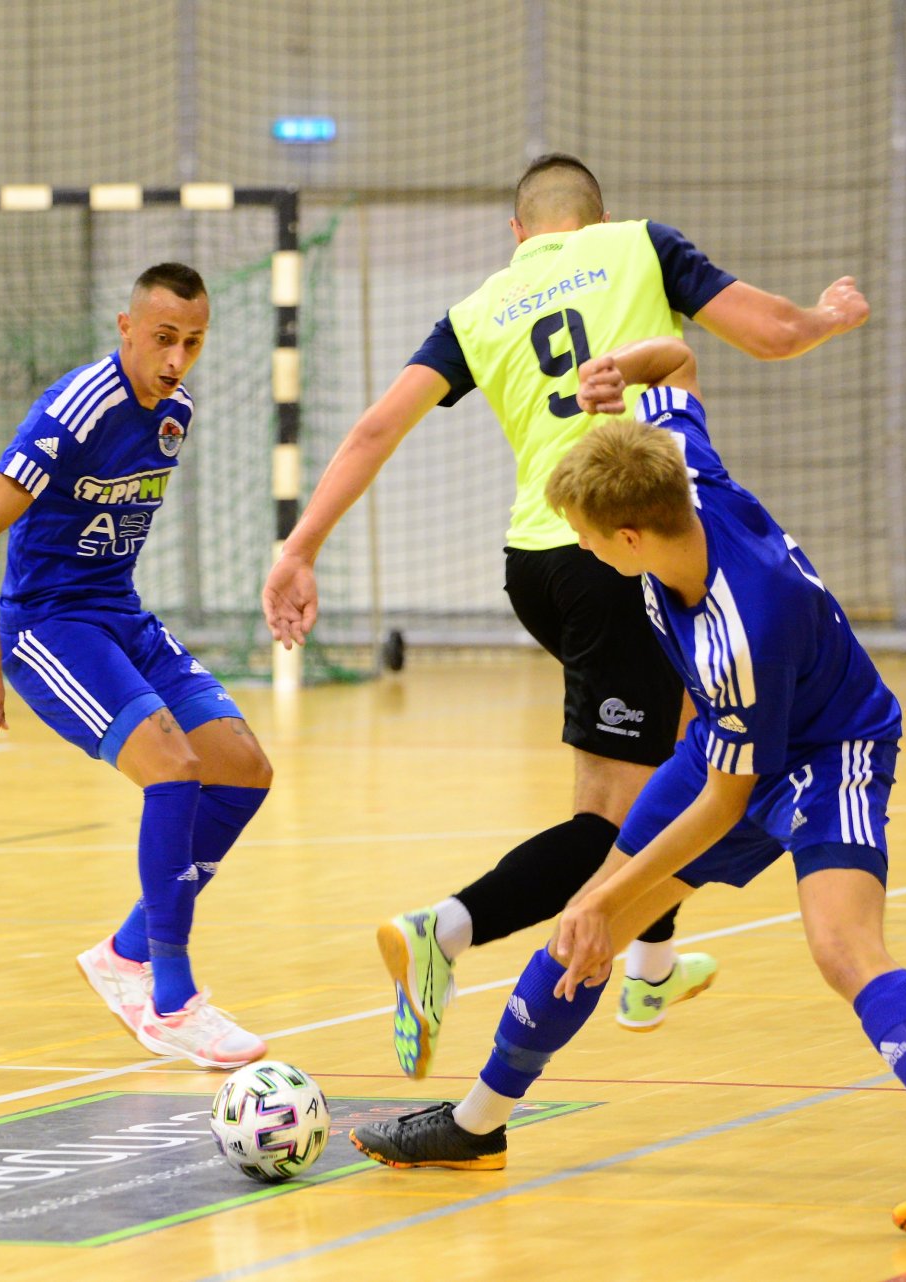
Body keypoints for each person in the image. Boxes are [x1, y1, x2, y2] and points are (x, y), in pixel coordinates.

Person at [350, 336, 906, 1238]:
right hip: (725, 736)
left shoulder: (741, 626)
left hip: (828, 746)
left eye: (590, 540)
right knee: (596, 914)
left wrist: (607, 897)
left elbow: (729, 800)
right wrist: (620, 373)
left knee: (840, 947)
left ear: (631, 537)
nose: (586, 549)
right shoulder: (682, 469)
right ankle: (475, 1126)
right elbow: (677, 362)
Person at [262, 153, 871, 1079]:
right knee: (616, 817)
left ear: (518, 234)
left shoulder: (478, 309)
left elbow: (375, 427)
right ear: (599, 217)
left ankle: (653, 965)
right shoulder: (640, 248)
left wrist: (300, 545)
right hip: (626, 554)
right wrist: (828, 316)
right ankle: (446, 930)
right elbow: (773, 333)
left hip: (539, 563)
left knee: (690, 750)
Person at [0, 263, 274, 1069]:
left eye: (193, 343)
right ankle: (171, 997)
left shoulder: (177, 412)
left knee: (243, 770)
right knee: (173, 767)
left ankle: (125, 951)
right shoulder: (76, 408)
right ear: (125, 328)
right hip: (48, 626)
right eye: (163, 338)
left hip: (119, 613)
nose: (177, 359)